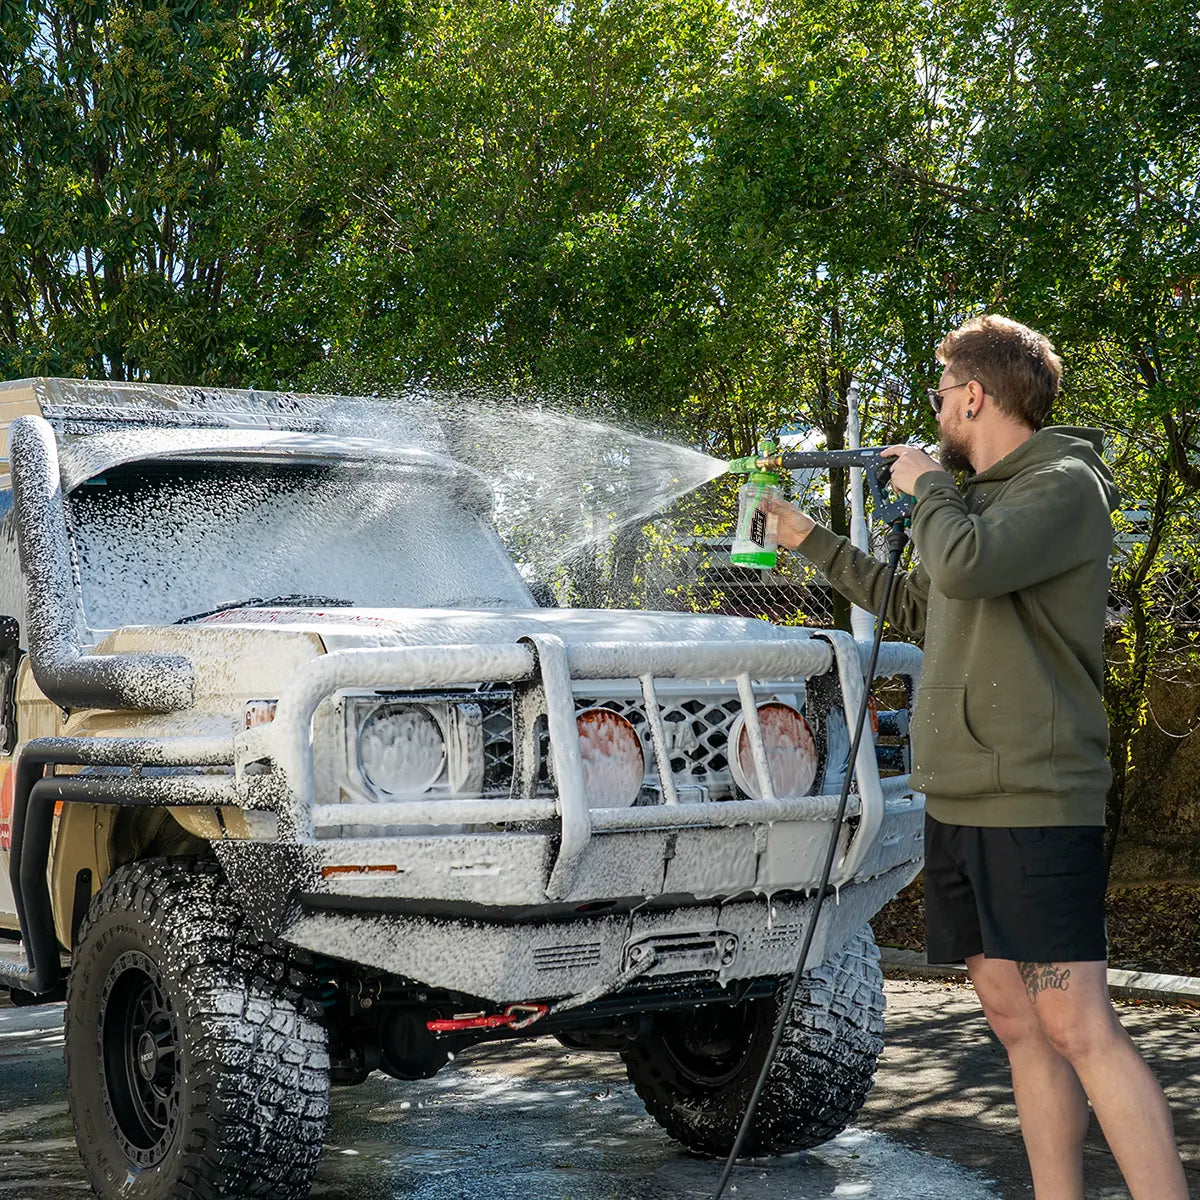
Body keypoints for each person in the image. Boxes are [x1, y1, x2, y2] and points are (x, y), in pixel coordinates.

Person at [764, 314, 1189, 1200]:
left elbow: (963, 565)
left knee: (1077, 1023)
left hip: (1035, 797)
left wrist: (926, 489)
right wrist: (810, 539)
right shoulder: (978, 504)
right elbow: (923, 603)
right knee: (1015, 1020)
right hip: (962, 795)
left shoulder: (1064, 485)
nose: (933, 415)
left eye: (939, 394)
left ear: (973, 395)